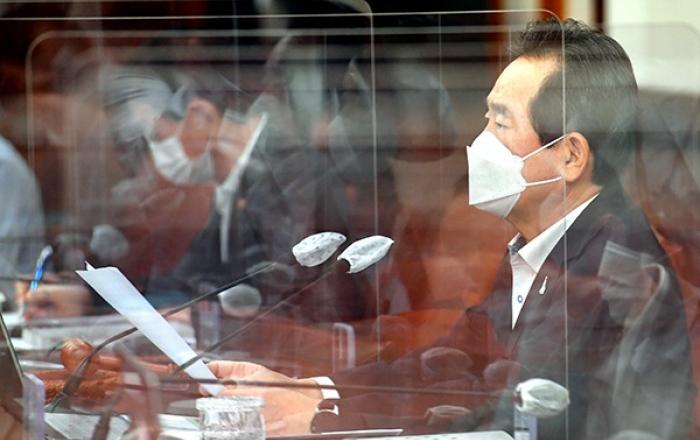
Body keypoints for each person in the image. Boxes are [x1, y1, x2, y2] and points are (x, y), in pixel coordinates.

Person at [206, 18, 695, 440]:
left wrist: (322, 417)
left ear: (569, 156)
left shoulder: (608, 270)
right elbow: (454, 361)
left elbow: (509, 414)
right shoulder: (545, 244)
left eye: (501, 123)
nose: (480, 142)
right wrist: (311, 390)